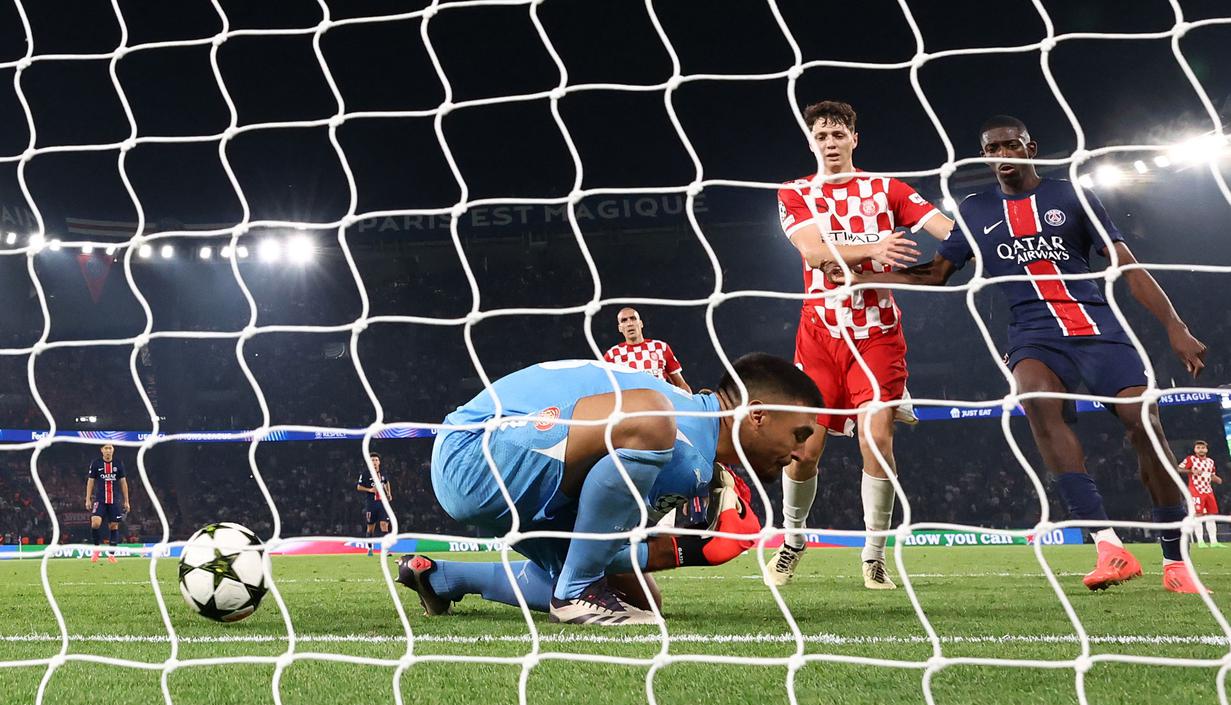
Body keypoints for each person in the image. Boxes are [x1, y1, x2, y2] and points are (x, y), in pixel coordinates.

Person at [846, 114, 1209, 593]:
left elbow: (1126, 265)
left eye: (1009, 146)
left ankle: (1174, 560)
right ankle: (1107, 545)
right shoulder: (974, 210)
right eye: (991, 150)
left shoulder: (1071, 195)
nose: (1000, 157)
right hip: (1034, 335)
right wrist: (869, 276)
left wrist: (1175, 326)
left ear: (1030, 148)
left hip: (1098, 328)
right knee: (1036, 403)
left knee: (1146, 426)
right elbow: (936, 274)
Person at [407, 354, 820, 625]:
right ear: (758, 416)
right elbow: (644, 423)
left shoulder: (693, 445)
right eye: (799, 434)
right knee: (652, 418)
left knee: (643, 604)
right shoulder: (676, 425)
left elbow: (604, 540)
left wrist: (681, 551)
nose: (803, 453)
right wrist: (682, 548)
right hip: (473, 455)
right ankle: (573, 594)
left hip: (510, 469)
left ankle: (442, 578)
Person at [770, 100, 956, 590]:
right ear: (811, 142)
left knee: (877, 441)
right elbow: (812, 251)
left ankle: (873, 557)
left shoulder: (887, 189)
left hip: (877, 335)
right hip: (819, 335)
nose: (830, 143)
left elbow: (948, 231)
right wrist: (874, 250)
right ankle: (792, 542)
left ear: (855, 139)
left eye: (838, 134)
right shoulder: (795, 192)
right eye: (821, 135)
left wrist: (945, 258)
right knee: (804, 450)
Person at [397, 462, 761, 617]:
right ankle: (447, 577)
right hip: (547, 497)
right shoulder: (683, 448)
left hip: (529, 481)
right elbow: (729, 542)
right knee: (643, 600)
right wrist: (698, 548)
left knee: (633, 587)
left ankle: (440, 576)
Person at [603, 307, 691, 393]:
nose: (629, 323)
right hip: (631, 405)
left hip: (661, 405)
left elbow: (680, 384)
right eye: (624, 320)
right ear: (620, 328)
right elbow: (601, 387)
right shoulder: (612, 355)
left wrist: (693, 404)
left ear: (641, 323)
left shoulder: (660, 347)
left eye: (633, 318)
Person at [85, 443, 129, 564]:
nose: (108, 451)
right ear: (102, 450)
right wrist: (88, 498)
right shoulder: (96, 463)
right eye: (106, 448)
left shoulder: (118, 464)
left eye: (110, 448)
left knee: (113, 526)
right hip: (100, 499)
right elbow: (90, 481)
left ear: (113, 450)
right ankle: (96, 548)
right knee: (95, 523)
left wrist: (127, 501)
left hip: (114, 500)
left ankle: (111, 555)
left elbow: (123, 483)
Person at [1180, 440, 1223, 548]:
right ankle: (1200, 541)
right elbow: (1178, 468)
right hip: (1196, 490)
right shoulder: (1191, 459)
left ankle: (1214, 541)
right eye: (1198, 448)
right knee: (1198, 515)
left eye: (1202, 448)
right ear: (1195, 449)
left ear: (1206, 450)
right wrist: (1191, 471)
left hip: (1208, 490)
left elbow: (1211, 475)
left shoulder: (1210, 462)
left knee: (1211, 516)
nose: (1201, 450)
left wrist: (1217, 479)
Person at [356, 452, 392, 556]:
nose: (374, 462)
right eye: (372, 460)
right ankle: (370, 548)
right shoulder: (365, 474)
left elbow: (386, 482)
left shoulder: (383, 473)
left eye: (376, 460)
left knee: (384, 525)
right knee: (370, 527)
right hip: (371, 504)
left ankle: (385, 550)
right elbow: (358, 487)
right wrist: (370, 489)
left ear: (379, 462)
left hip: (383, 503)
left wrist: (389, 493)